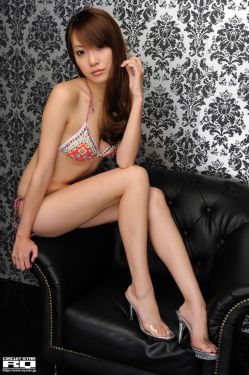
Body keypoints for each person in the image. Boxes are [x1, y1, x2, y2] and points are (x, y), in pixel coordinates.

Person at [11, 7, 218, 360]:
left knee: (151, 195)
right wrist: (22, 234)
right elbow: (44, 168)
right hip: (42, 206)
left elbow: (123, 161)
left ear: (116, 47)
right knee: (139, 178)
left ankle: (194, 306)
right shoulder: (66, 95)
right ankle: (141, 291)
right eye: (80, 52)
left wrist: (137, 97)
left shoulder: (117, 101)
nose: (91, 60)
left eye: (99, 47)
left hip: (75, 204)